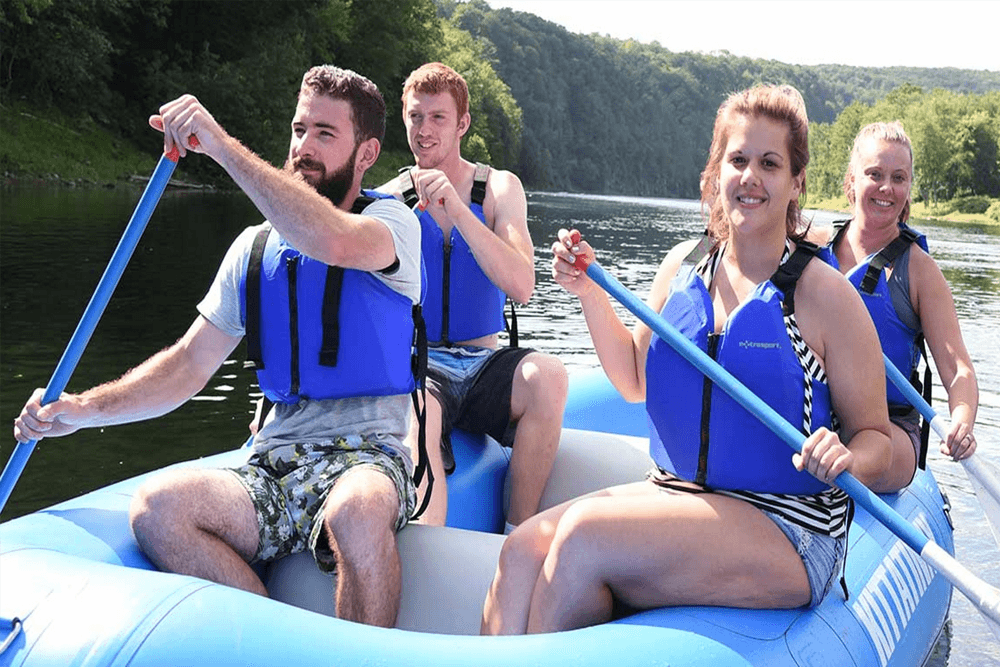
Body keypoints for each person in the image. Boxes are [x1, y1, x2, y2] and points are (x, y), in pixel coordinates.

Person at [13, 65, 423, 628]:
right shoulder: (253, 250)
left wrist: (223, 148)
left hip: (370, 455)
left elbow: (329, 238)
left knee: (355, 511)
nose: (304, 147)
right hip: (274, 463)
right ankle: (274, 642)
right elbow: (187, 365)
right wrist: (81, 410)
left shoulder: (395, 225)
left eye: (325, 134)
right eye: (299, 129)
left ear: (368, 151)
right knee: (158, 511)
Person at [481, 85, 894, 635]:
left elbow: (881, 441)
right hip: (676, 494)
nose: (750, 177)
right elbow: (632, 379)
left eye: (769, 164)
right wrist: (588, 293)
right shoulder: (684, 266)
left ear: (796, 182)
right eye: (738, 159)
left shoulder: (824, 295)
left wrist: (845, 455)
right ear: (718, 169)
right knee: (521, 551)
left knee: (583, 536)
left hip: (787, 525)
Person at [380, 62, 567, 530]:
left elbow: (523, 285)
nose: (424, 130)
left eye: (438, 118)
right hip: (424, 368)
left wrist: (460, 212)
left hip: (484, 364)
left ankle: (516, 533)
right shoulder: (388, 200)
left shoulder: (497, 188)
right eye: (415, 117)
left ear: (462, 124)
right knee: (417, 416)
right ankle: (434, 550)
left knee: (548, 376)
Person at [808, 121, 978, 491]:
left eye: (898, 178)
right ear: (851, 181)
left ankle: (842, 468)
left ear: (908, 190)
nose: (887, 188)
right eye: (875, 174)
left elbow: (958, 369)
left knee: (863, 454)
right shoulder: (810, 249)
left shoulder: (919, 271)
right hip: (817, 416)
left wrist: (962, 419)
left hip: (890, 429)